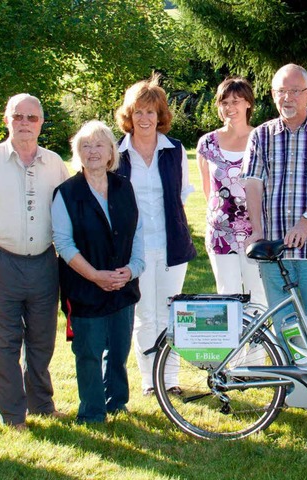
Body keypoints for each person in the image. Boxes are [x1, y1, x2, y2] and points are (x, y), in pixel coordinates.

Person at [0, 94, 69, 429]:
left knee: (42, 339)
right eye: (18, 116)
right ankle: (12, 414)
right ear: (6, 120)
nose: (24, 123)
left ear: (41, 123)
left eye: (32, 118)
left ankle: (42, 404)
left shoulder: (54, 163)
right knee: (3, 343)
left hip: (43, 262)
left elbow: (68, 216)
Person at [243, 64, 307, 368]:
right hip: (274, 248)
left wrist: (306, 220)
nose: (287, 97)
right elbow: (253, 183)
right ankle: (294, 385)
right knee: (285, 323)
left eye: (295, 91)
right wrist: (258, 232)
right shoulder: (261, 135)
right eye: (280, 91)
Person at [52, 121, 145, 423]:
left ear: (110, 153)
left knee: (119, 349)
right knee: (89, 351)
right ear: (77, 153)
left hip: (123, 284)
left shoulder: (124, 186)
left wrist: (132, 270)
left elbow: (138, 232)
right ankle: (92, 412)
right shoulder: (66, 193)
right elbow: (63, 244)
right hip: (84, 286)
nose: (92, 151)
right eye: (85, 146)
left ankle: (117, 402)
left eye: (99, 145)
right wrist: (94, 275)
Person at [115, 76, 197, 396]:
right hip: (134, 250)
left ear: (160, 114)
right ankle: (151, 382)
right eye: (139, 112)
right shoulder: (117, 152)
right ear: (129, 115)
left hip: (171, 246)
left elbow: (182, 195)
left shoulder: (174, 150)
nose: (145, 118)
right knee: (144, 316)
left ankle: (171, 380)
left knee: (169, 314)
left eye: (151, 112)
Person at [196, 77, 266, 307]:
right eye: (224, 102)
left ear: (248, 104)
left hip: (256, 231)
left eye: (236, 101)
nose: (230, 107)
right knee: (228, 298)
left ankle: (257, 345)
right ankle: (232, 345)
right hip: (221, 233)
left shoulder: (262, 140)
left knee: (259, 296)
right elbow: (209, 192)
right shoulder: (207, 144)